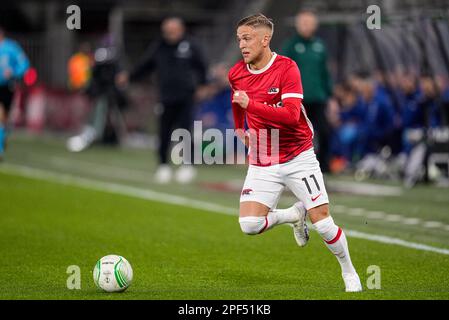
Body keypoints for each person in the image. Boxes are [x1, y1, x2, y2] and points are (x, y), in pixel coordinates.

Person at [229, 13, 362, 292]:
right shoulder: (236, 72)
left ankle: (349, 272)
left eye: (247, 38)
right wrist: (240, 129)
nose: (242, 44)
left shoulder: (287, 68)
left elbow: (290, 116)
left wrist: (250, 105)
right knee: (249, 225)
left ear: (265, 39)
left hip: (297, 155)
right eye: (239, 38)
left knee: (324, 224)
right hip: (263, 158)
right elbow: (238, 103)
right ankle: (292, 215)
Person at [116, 17, 207, 184]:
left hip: (186, 96)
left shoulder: (190, 45)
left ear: (181, 29)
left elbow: (202, 67)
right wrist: (129, 76)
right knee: (164, 132)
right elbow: (145, 65)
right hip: (166, 96)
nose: (169, 33)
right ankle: (163, 166)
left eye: (172, 30)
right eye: (166, 30)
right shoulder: (159, 46)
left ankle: (187, 165)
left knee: (185, 131)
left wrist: (202, 86)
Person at [281, 10, 333, 172]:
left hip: (318, 98)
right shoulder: (290, 46)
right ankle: (289, 165)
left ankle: (323, 166)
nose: (306, 26)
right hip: (297, 100)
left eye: (309, 22)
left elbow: (325, 73)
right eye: (303, 22)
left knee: (324, 131)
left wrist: (330, 96)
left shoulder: (320, 46)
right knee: (293, 134)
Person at [0, 25, 30, 160]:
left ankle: (3, 137)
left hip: (7, 87)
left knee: (4, 118)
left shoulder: (11, 47)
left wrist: (14, 72)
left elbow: (24, 64)